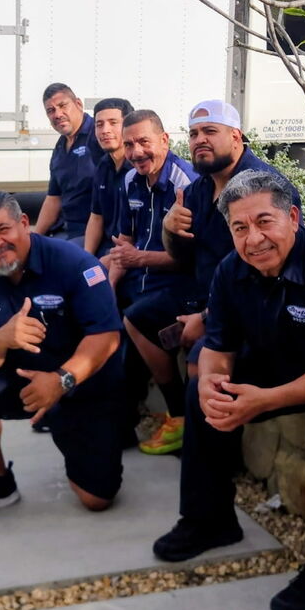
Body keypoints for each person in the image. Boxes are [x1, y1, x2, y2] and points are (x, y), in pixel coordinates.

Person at [151, 172, 305, 592]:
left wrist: (263, 400)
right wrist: (211, 383)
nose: (254, 239)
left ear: (293, 218)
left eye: (265, 222)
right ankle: (209, 519)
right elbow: (218, 346)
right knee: (203, 393)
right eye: (240, 228)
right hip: (273, 364)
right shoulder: (231, 270)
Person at [0, 190, 124, 524]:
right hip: (27, 378)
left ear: (24, 223)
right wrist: (2, 338)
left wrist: (61, 382)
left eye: (2, 229)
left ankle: (67, 421)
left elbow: (107, 337)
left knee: (97, 498)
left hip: (84, 382)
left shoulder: (75, 264)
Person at [161, 98, 300, 373]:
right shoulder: (197, 189)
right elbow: (180, 257)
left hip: (252, 304)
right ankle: (174, 403)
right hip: (202, 294)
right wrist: (169, 228)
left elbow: (273, 273)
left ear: (236, 137)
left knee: (198, 363)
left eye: (210, 131)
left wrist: (206, 317)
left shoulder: (265, 187)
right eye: (193, 134)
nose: (200, 140)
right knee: (136, 319)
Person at [106, 110, 198, 453]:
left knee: (136, 324)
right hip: (139, 280)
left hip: (180, 285)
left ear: (164, 140)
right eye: (129, 145)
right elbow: (124, 243)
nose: (136, 152)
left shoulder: (185, 184)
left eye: (144, 142)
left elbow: (191, 259)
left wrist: (137, 259)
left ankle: (178, 416)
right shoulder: (130, 180)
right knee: (100, 314)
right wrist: (108, 286)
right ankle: (112, 419)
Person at [32, 83, 104, 246]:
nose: (57, 114)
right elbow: (53, 199)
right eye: (51, 110)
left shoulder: (98, 136)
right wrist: (34, 238)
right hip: (63, 230)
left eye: (63, 106)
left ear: (78, 104)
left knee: (53, 258)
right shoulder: (60, 147)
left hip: (90, 232)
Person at [83, 96, 134, 262]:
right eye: (99, 125)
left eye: (113, 123)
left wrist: (97, 266)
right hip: (105, 248)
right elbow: (96, 217)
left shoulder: (139, 168)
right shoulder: (103, 166)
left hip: (130, 253)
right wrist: (86, 258)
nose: (105, 130)